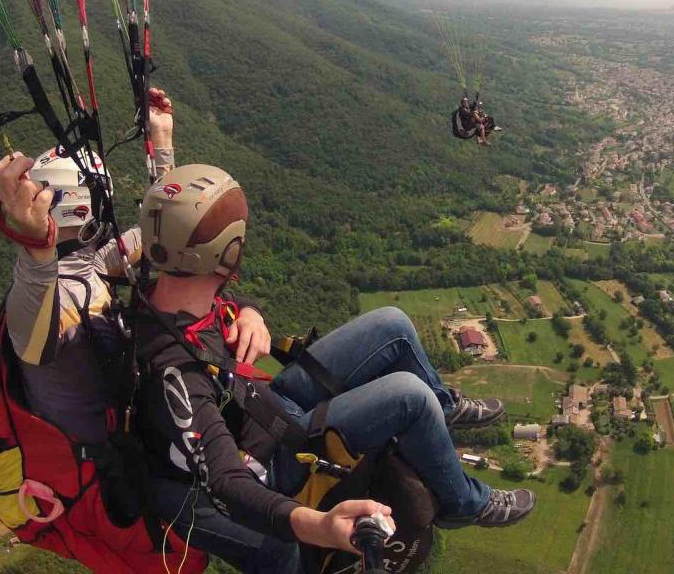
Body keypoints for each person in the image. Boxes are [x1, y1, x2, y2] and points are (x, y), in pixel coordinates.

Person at [134, 164, 537, 573]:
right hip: (271, 459)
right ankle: (464, 502)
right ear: (229, 253)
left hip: (265, 406)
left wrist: (248, 310)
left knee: (392, 325)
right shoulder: (175, 375)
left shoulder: (158, 284)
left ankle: (443, 409)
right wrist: (319, 525)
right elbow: (226, 483)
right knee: (409, 397)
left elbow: (196, 259)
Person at [0, 87, 175, 446]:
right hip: (102, 483)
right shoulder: (40, 306)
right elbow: (37, 281)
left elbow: (166, 232)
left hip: (128, 456)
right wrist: (35, 240)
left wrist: (161, 138)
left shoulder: (95, 264)